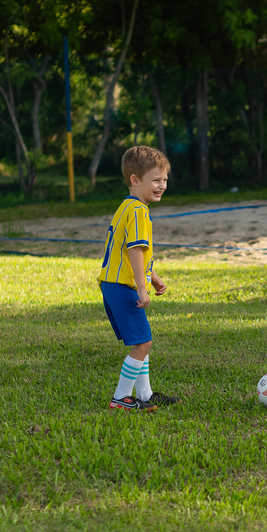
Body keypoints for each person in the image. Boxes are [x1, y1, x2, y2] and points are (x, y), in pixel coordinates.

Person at [98, 146, 181, 411]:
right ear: (135, 180)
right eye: (156, 180)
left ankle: (144, 394)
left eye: (165, 179)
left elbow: (132, 251)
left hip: (114, 285)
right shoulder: (138, 212)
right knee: (143, 343)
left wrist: (153, 276)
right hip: (124, 287)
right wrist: (142, 287)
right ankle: (121, 397)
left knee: (140, 340)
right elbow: (135, 250)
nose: (162, 185)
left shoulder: (128, 206)